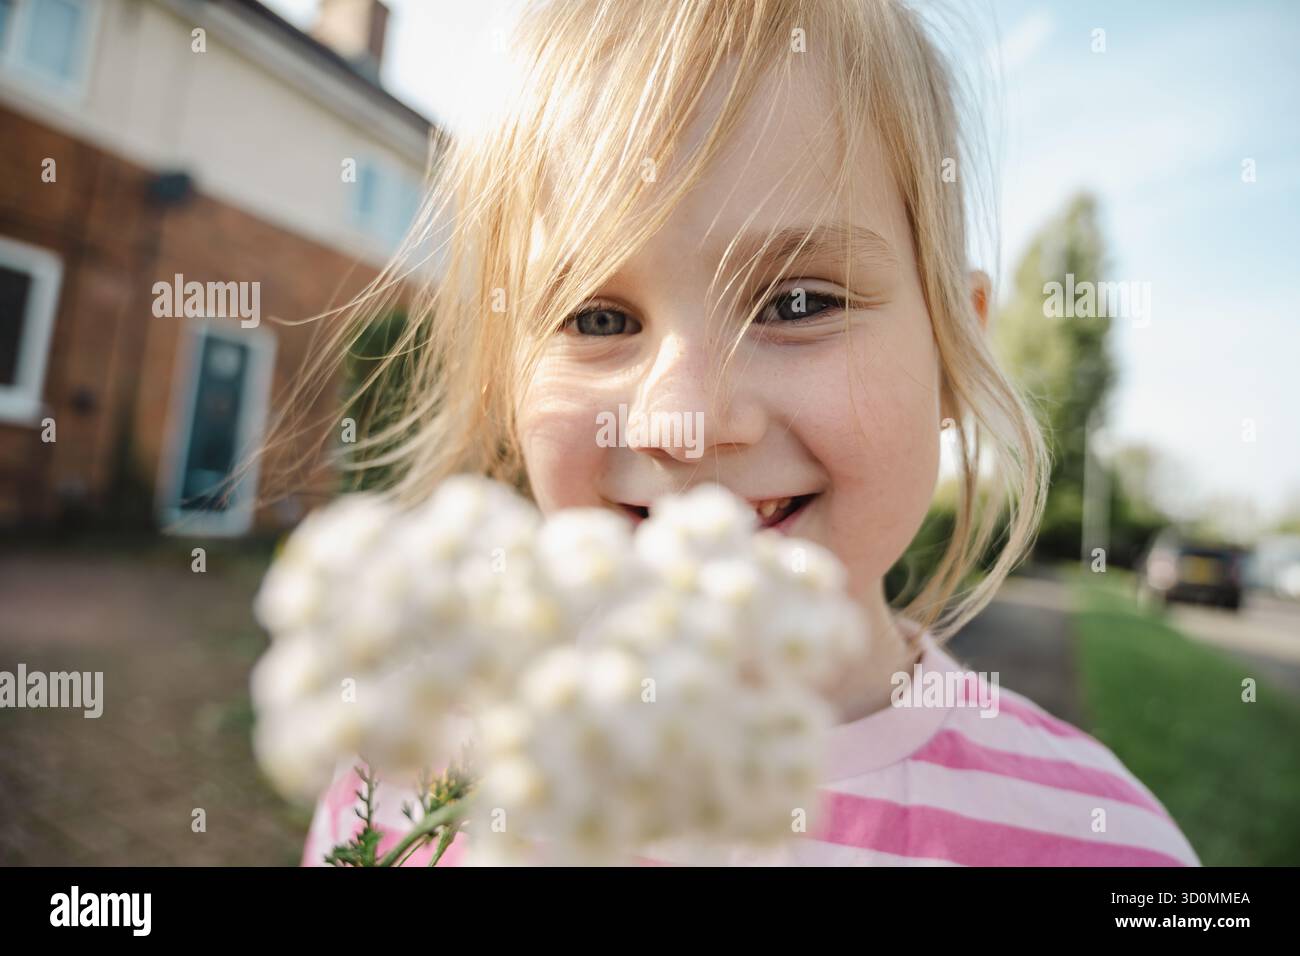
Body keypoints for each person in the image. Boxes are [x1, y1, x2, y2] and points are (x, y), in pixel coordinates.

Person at [297, 0, 1199, 867]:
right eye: (599, 319)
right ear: (507, 373)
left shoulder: (1101, 846)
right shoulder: (406, 773)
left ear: (951, 357)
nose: (682, 421)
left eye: (798, 302)